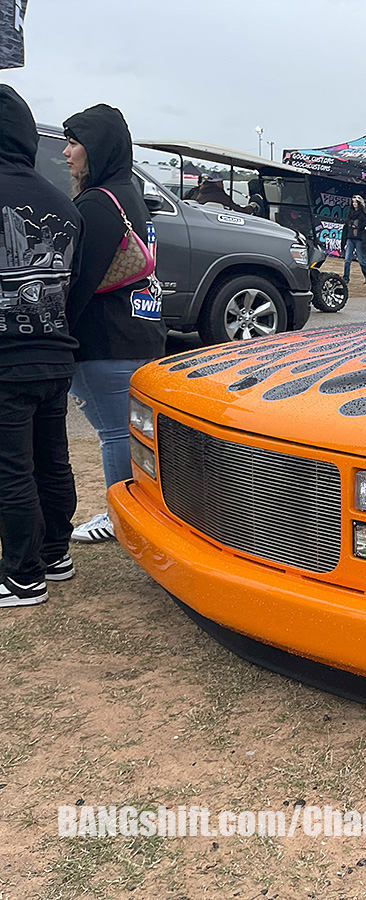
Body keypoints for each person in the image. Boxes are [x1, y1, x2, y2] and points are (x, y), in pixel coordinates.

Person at [62, 103, 167, 543]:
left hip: (106, 339)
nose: (66, 153)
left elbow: (79, 281)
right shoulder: (131, 195)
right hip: (140, 331)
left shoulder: (97, 203)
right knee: (132, 433)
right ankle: (141, 511)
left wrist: (58, 333)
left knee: (114, 434)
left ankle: (116, 513)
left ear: (97, 147)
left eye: (74, 143)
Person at [0, 86, 82, 606]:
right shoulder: (62, 203)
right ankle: (55, 553)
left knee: (11, 468)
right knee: (52, 459)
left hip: (6, 360)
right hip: (55, 352)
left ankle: (21, 575)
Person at [340, 195, 366, 285]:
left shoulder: (363, 215)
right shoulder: (350, 214)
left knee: (361, 259)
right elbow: (346, 227)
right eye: (353, 202)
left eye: (356, 202)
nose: (354, 204)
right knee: (347, 259)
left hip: (359, 240)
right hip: (350, 239)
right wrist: (343, 242)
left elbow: (365, 228)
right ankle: (346, 278)